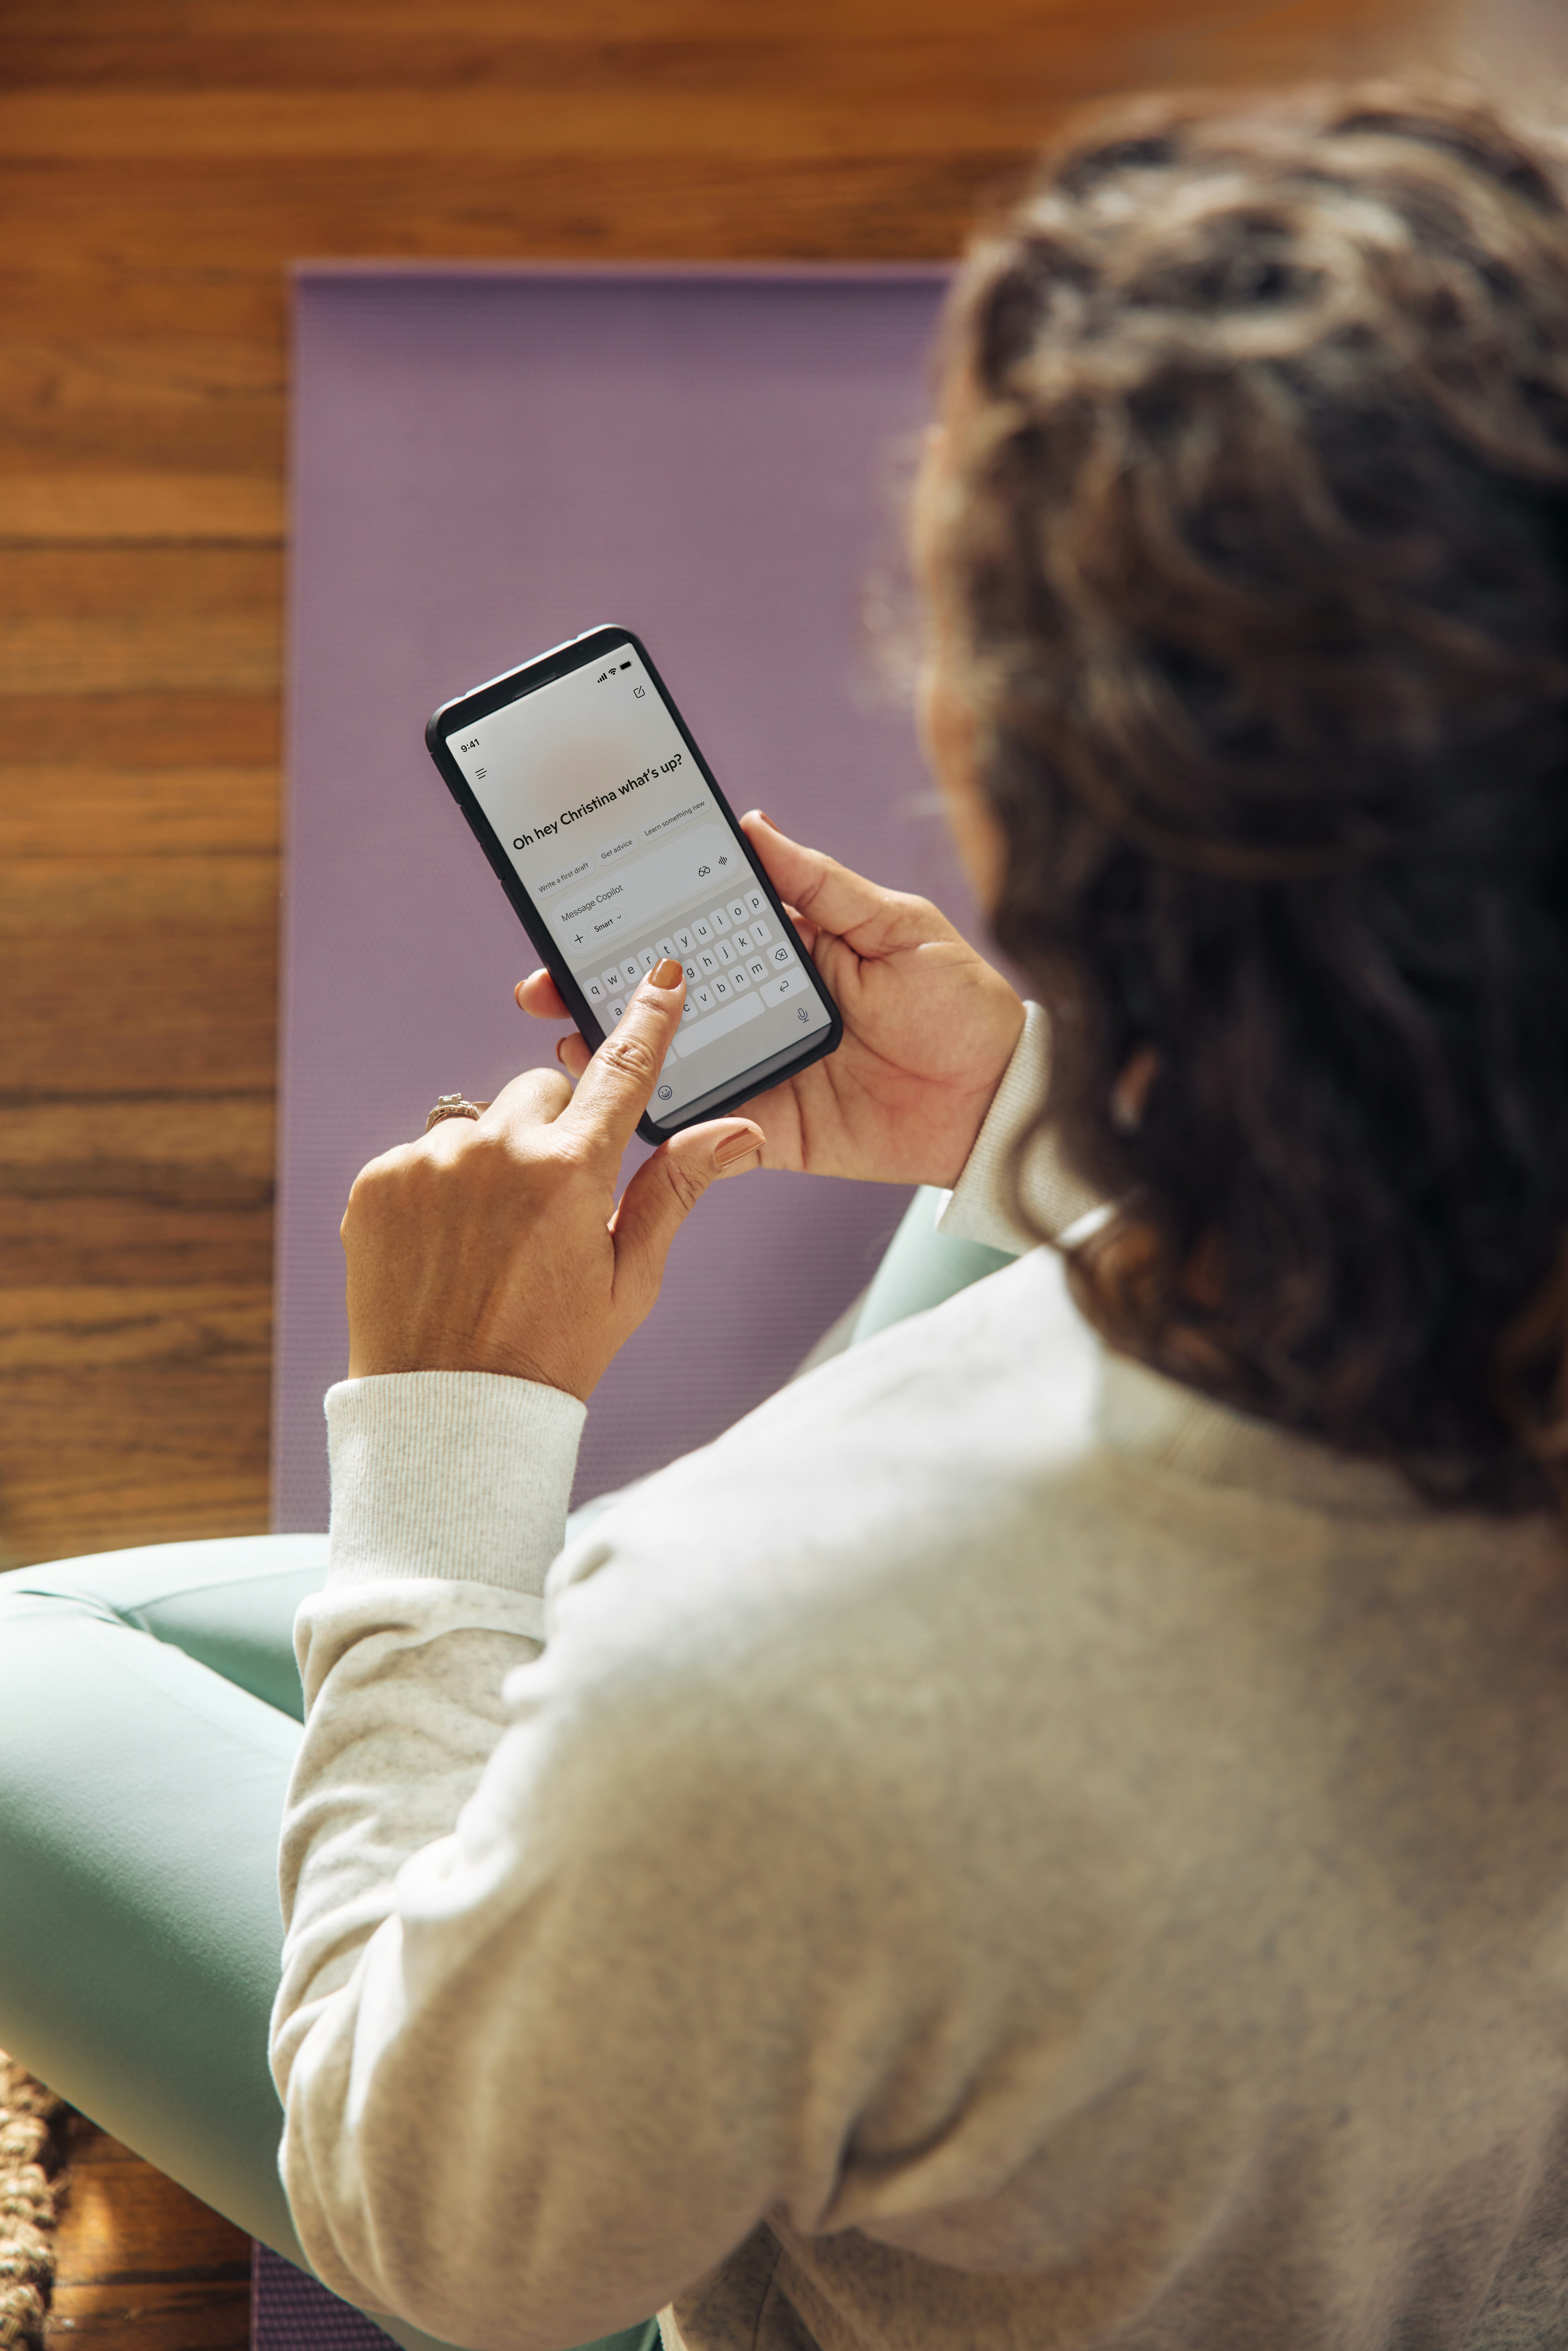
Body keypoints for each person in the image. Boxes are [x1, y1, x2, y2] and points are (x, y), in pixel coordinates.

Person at [4, 71, 1568, 2351]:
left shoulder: (774, 1654)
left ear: (1001, 801)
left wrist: (446, 1432)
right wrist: (1032, 1109)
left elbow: (451, 2226)